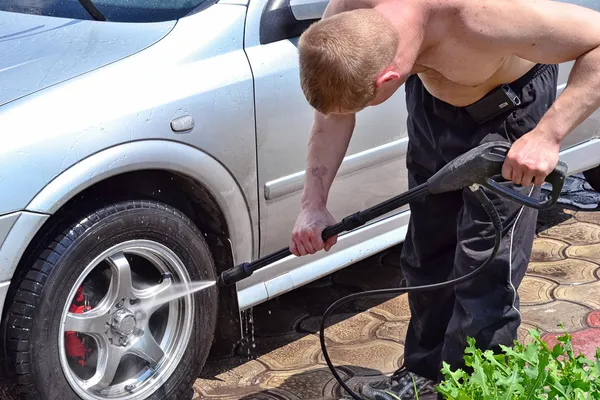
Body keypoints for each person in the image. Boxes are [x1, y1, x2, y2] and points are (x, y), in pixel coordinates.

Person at [288, 0, 600, 398]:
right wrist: (312, 203)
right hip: (434, 108)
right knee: (426, 254)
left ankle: (471, 387)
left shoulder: (479, 17)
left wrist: (547, 135)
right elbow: (333, 113)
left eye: (365, 104)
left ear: (387, 78)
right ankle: (421, 377)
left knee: (483, 265)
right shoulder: (347, 14)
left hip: (510, 113)